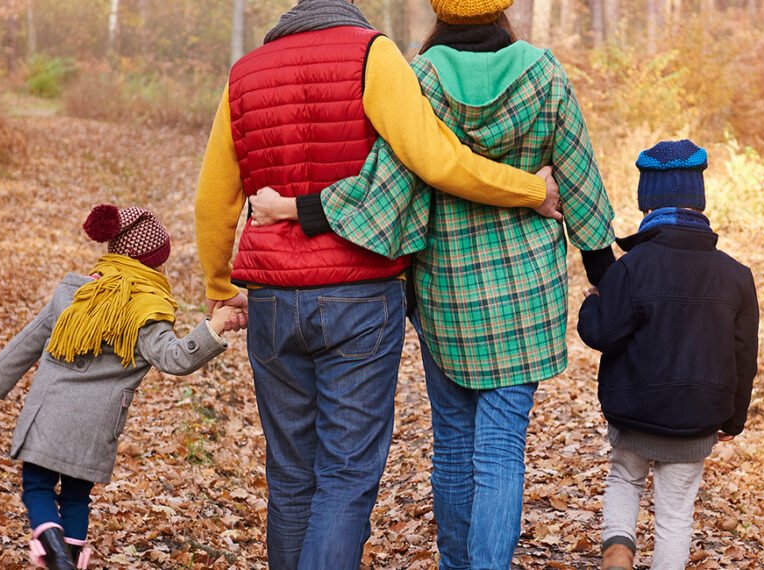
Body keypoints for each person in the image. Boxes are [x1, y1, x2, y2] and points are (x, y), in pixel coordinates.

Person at [194, 1, 565, 568]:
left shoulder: (246, 71)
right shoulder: (373, 54)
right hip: (358, 292)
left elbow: (213, 198)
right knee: (345, 475)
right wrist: (529, 191)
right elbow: (435, 160)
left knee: (290, 473)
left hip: (270, 296)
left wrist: (220, 285)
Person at [0, 204, 236, 570]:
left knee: (37, 488)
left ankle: (50, 547)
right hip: (96, 425)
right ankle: (69, 558)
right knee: (77, 497)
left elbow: (29, 339)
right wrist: (213, 328)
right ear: (151, 263)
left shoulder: (74, 293)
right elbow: (175, 359)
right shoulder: (147, 309)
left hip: (48, 412)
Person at [576, 140, 760, 570]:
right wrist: (734, 419)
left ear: (648, 202)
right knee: (676, 514)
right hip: (696, 420)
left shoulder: (632, 267)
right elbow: (744, 355)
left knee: (625, 479)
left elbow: (601, 332)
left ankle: (618, 556)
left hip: (634, 413)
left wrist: (592, 301)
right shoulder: (736, 276)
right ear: (699, 199)